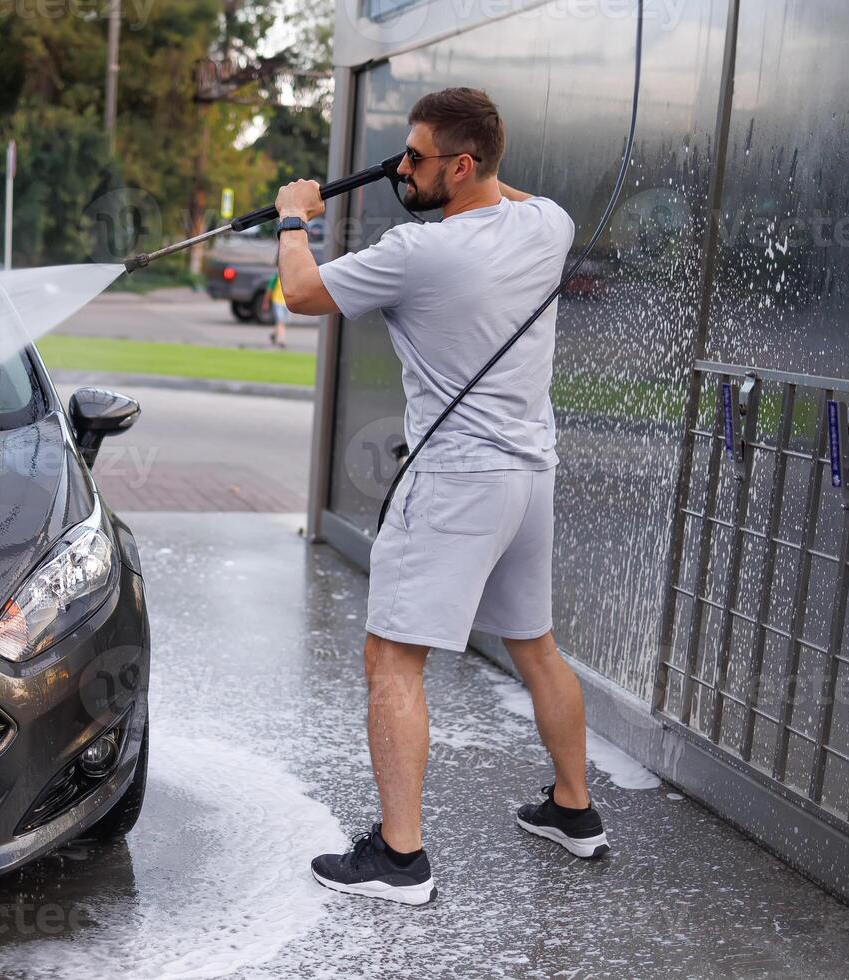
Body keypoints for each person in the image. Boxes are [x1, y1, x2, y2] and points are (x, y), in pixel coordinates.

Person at [273, 87, 607, 906]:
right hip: (530, 479)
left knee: (391, 658)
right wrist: (461, 170)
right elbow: (511, 194)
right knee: (536, 648)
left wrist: (293, 215)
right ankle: (574, 810)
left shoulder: (419, 253)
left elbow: (302, 293)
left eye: (416, 158)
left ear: (461, 166)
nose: (400, 169)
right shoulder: (548, 225)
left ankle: (399, 858)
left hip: (456, 483)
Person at [267, 271, 289, 347]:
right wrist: (266, 302)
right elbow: (269, 290)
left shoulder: (289, 277)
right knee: (280, 321)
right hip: (277, 302)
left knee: (282, 322)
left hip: (286, 303)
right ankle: (281, 340)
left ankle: (274, 334)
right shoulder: (276, 277)